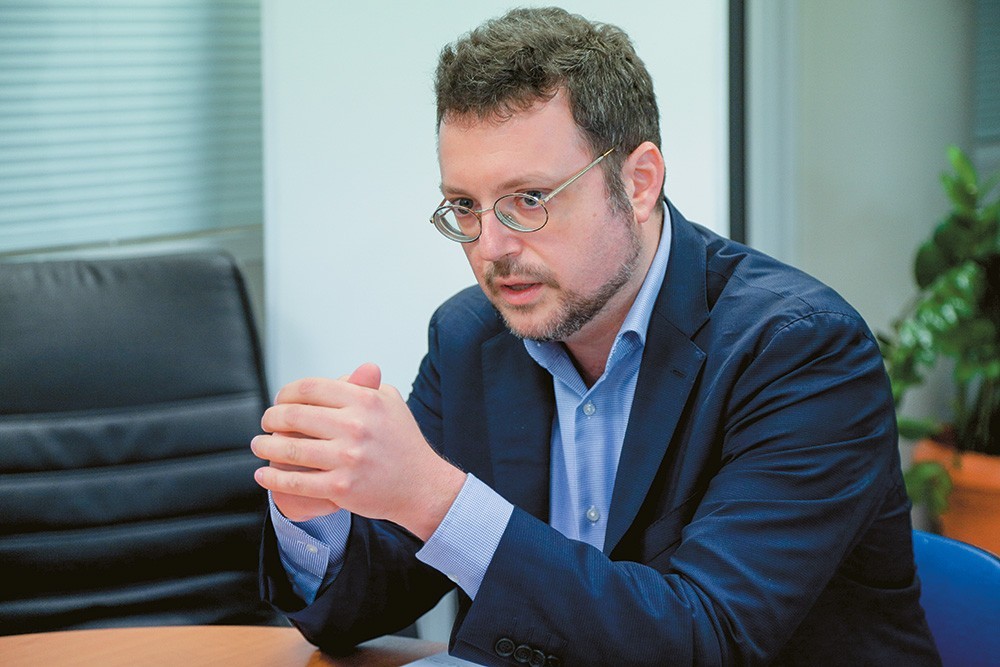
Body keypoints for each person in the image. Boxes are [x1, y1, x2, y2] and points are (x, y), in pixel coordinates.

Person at [252, 7, 941, 665]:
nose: (490, 247)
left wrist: (435, 498)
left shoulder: (800, 351)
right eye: (465, 205)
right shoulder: (472, 337)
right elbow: (361, 609)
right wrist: (314, 513)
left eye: (529, 199)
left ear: (638, 183)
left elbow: (705, 639)